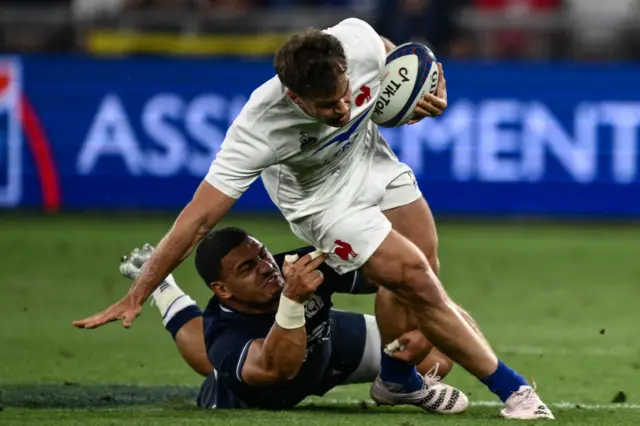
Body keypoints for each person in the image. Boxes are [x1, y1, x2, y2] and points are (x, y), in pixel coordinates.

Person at [73, 17, 554, 419]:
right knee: (414, 278)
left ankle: (397, 380)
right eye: (326, 106)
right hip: (322, 202)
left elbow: (404, 58)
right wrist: (140, 291)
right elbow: (197, 220)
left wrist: (428, 86)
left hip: (369, 159)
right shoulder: (257, 128)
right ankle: (513, 391)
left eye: (345, 94)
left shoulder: (358, 43)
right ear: (293, 96)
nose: (343, 108)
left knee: (423, 267)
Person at [118, 229, 467, 411]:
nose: (266, 268)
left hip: (329, 343)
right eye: (248, 268)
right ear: (222, 290)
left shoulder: (297, 266)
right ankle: (163, 290)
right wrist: (292, 300)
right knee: (210, 361)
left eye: (263, 254)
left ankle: (391, 386)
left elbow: (396, 277)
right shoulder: (224, 333)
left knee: (435, 356)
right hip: (263, 388)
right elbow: (280, 369)